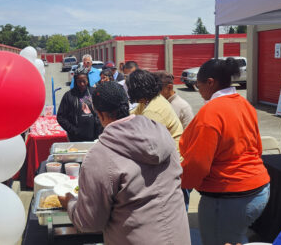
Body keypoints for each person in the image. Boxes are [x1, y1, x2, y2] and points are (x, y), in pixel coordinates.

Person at [58, 82, 190, 245]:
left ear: (99, 114)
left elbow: (90, 222)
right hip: (178, 237)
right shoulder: (162, 133)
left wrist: (70, 202)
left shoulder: (100, 156)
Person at [179, 57, 270, 245]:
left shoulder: (211, 112)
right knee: (236, 237)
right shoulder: (244, 104)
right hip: (259, 189)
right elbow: (257, 147)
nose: (199, 90)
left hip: (230, 196)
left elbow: (198, 163)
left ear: (210, 82)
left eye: (198, 85)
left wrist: (179, 183)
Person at [126, 69, 183, 152]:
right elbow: (132, 115)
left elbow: (148, 145)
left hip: (172, 158)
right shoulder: (148, 100)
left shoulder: (152, 111)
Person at [57, 68, 101, 142]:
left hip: (95, 136)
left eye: (84, 81)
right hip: (75, 138)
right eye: (79, 81)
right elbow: (61, 117)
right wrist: (73, 130)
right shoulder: (69, 95)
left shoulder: (95, 93)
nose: (82, 84)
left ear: (87, 80)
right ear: (75, 81)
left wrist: (99, 126)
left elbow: (103, 111)